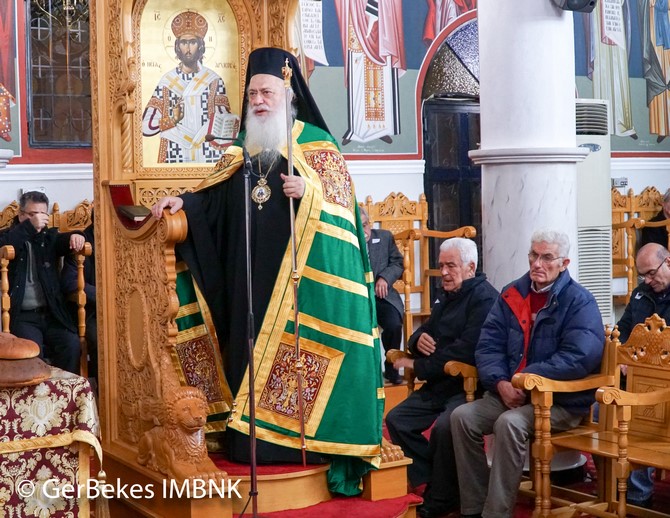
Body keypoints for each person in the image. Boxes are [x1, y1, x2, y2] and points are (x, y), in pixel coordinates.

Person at [151, 47, 383, 494]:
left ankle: (296, 442)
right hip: (247, 276)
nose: (258, 101)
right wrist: (188, 202)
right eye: (253, 94)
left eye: (267, 93)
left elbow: (344, 214)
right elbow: (216, 199)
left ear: (288, 94)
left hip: (299, 282)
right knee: (246, 341)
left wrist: (308, 192)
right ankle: (247, 437)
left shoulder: (317, 144)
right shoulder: (243, 147)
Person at [450, 229, 604, 518]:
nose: (537, 263)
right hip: (509, 392)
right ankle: (474, 506)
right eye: (534, 255)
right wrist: (500, 382)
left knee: (509, 424)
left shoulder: (579, 301)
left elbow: (579, 356)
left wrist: (528, 379)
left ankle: (496, 513)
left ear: (564, 263)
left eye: (547, 257)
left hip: (558, 402)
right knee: (462, 417)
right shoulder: (512, 293)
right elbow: (488, 345)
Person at [386, 237, 498, 518]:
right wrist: (416, 341)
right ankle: (438, 480)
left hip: (469, 385)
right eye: (441, 266)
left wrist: (417, 365)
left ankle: (441, 496)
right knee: (397, 420)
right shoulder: (448, 295)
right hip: (440, 382)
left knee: (445, 428)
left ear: (470, 267)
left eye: (451, 266)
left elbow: (464, 352)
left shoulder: (485, 299)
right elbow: (425, 331)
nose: (444, 273)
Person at [0, 191, 85, 374]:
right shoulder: (9, 237)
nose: (38, 219)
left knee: (71, 345)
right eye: (32, 214)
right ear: (21, 215)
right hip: (23, 316)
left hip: (52, 314)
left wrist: (77, 235)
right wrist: (29, 227)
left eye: (42, 214)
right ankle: (39, 391)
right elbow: (5, 244)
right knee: (32, 351)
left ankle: (64, 389)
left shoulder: (49, 237)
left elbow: (64, 240)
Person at [614, 242, 670, 507]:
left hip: (665, 383)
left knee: (638, 415)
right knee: (601, 411)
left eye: (651, 273)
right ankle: (629, 493)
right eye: (642, 275)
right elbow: (622, 331)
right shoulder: (640, 294)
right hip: (637, 381)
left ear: (668, 262)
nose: (647, 280)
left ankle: (637, 496)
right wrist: (624, 355)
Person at [142, 10, 236, 163]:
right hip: (175, 154)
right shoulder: (167, 82)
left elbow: (225, 124)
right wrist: (172, 119)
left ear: (200, 45)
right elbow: (145, 126)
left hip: (208, 155)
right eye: (183, 42)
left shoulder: (213, 81)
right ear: (177, 46)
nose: (188, 48)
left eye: (192, 42)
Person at [334, 0, 406, 146]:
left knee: (383, 77)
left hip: (383, 23)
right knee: (358, 73)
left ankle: (383, 129)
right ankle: (356, 128)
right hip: (357, 20)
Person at [360, 206, 404, 384]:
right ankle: (367, 375)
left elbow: (398, 263)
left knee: (394, 325)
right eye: (358, 227)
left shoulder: (384, 237)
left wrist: (385, 277)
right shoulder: (346, 242)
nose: (364, 231)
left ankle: (392, 368)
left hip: (382, 296)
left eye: (365, 225)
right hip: (358, 298)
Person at [60, 210, 97, 384]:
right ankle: (105, 390)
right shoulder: (82, 241)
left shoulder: (125, 240)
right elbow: (70, 282)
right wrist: (103, 295)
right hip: (91, 311)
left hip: (123, 307)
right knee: (101, 338)